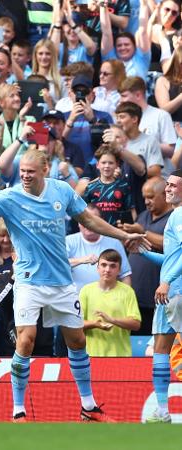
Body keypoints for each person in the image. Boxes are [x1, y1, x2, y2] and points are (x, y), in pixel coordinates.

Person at [0, 151, 149, 422]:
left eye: (31, 171)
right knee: (25, 341)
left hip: (61, 281)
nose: (25, 176)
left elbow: (88, 219)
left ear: (45, 168)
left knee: (77, 341)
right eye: (22, 171)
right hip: (28, 281)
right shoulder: (10, 197)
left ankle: (88, 407)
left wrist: (123, 235)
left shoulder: (61, 190)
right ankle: (18, 411)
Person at [144, 170, 182, 423]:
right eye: (166, 184)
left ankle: (162, 409)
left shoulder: (179, 214)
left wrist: (167, 281)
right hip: (172, 291)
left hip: (175, 292)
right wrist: (143, 251)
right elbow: (171, 258)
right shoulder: (174, 216)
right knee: (161, 348)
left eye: (173, 185)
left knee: (162, 348)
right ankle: (162, 410)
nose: (167, 188)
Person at [123, 177, 173, 334]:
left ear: (164, 194)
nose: (146, 201)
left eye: (151, 196)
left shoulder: (175, 217)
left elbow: (172, 245)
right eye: (144, 197)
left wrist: (142, 232)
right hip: (135, 296)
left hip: (159, 296)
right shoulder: (143, 216)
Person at [81, 249, 141, 356]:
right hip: (92, 356)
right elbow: (76, 324)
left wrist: (112, 320)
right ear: (97, 268)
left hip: (121, 356)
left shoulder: (127, 291)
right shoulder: (86, 290)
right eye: (104, 265)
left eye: (113, 266)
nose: (107, 269)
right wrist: (95, 324)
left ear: (119, 270)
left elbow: (136, 324)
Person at [66, 203, 132, 293]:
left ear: (101, 223)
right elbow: (56, 264)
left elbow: (125, 275)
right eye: (83, 220)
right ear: (78, 223)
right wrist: (81, 260)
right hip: (75, 301)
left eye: (91, 221)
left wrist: (125, 298)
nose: (87, 224)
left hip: (107, 301)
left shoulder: (114, 243)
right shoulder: (69, 241)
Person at [119, 76, 177, 178]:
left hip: (159, 178)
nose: (121, 100)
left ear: (138, 95)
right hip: (131, 177)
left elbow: (170, 151)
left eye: (124, 96)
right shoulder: (123, 119)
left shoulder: (160, 115)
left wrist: (144, 142)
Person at [83, 144, 135, 225]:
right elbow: (84, 213)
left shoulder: (124, 186)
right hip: (97, 232)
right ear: (97, 165)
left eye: (110, 163)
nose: (107, 166)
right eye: (103, 162)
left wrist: (133, 229)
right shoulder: (90, 187)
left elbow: (131, 210)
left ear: (117, 165)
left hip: (117, 232)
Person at [100, 0, 151, 80]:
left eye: (127, 44)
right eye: (119, 45)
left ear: (134, 47)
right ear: (115, 48)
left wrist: (144, 4)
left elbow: (143, 31)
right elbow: (106, 33)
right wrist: (102, 7)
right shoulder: (110, 58)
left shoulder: (141, 58)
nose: (123, 47)